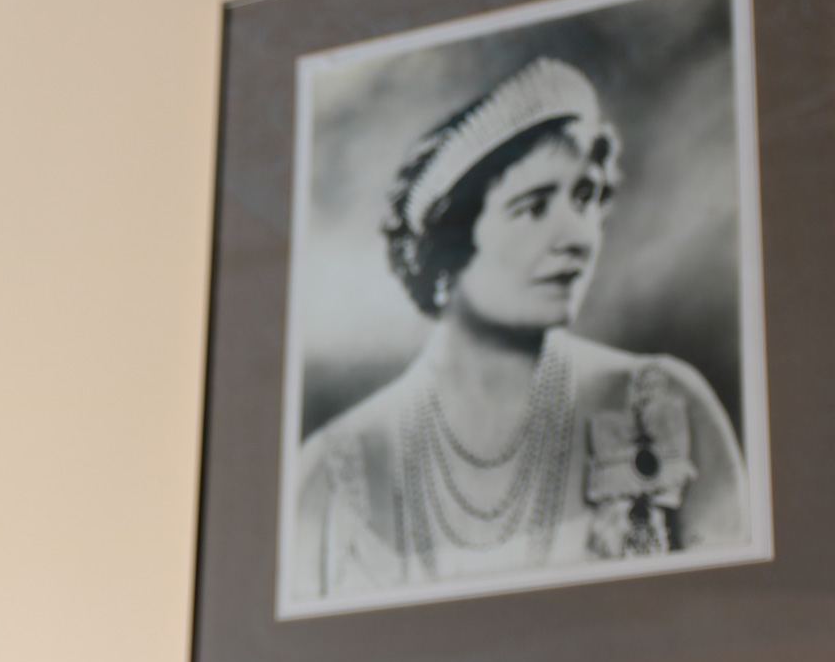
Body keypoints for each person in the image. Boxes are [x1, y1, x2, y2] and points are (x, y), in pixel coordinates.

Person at [291, 57, 748, 601]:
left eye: (586, 197)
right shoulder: (327, 475)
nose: (578, 235)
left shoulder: (665, 407)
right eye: (532, 208)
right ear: (450, 243)